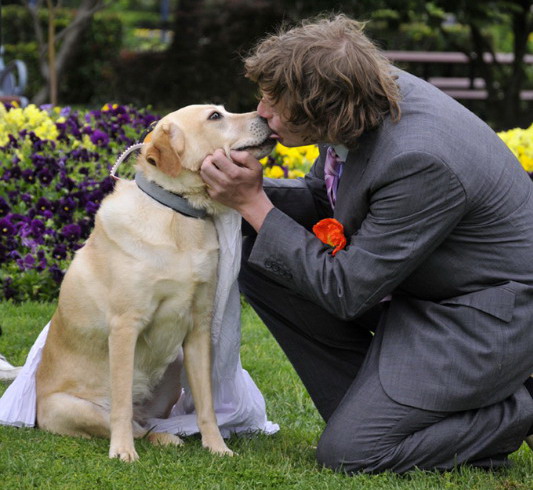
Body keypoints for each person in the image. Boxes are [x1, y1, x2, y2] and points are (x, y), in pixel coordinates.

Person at [200, 14, 533, 473]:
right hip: (424, 286)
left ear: (326, 108)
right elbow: (326, 198)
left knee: (352, 454)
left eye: (277, 104)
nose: (262, 113)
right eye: (265, 95)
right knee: (260, 259)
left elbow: (348, 291)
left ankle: (516, 409)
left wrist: (253, 203)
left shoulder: (420, 158)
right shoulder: (358, 97)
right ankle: (382, 410)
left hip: (482, 317)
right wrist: (238, 192)